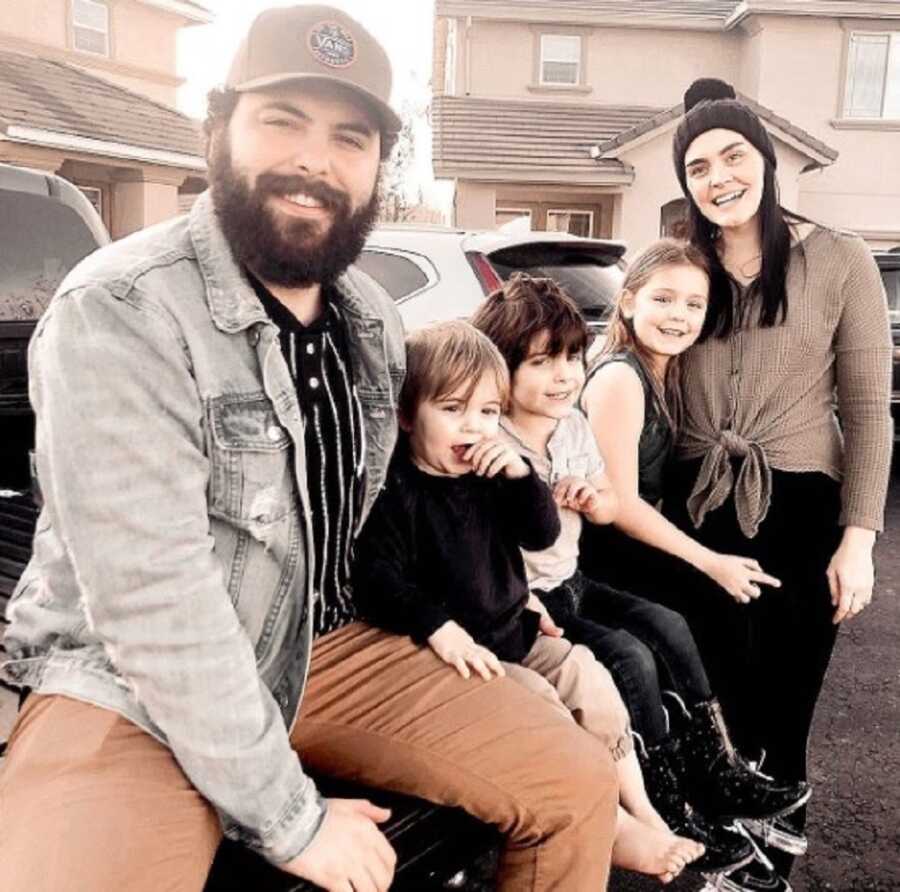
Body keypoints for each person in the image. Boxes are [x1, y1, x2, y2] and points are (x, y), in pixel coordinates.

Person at [0, 7, 622, 891]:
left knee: (575, 783)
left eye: (349, 136)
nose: (314, 160)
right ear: (218, 132)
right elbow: (153, 600)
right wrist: (293, 821)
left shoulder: (371, 321)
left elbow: (390, 515)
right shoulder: (122, 309)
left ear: (378, 167)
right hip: (128, 677)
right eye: (280, 121)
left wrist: (492, 611)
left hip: (325, 644)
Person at [596, 76, 891, 880]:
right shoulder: (687, 268)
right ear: (683, 182)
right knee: (714, 704)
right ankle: (722, 853)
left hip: (799, 506)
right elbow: (627, 359)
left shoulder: (839, 259)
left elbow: (868, 408)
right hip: (695, 510)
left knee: (786, 705)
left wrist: (858, 539)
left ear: (763, 159)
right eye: (698, 166)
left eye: (733, 155)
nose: (719, 176)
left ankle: (770, 868)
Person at [474, 272, 813, 891]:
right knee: (631, 657)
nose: (563, 377)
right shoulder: (494, 443)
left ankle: (715, 762)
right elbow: (487, 543)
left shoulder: (569, 426)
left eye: (572, 358)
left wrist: (589, 498)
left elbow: (604, 502)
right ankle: (664, 794)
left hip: (573, 577)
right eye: (542, 363)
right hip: (535, 598)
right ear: (501, 370)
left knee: (668, 624)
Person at [352, 320, 705, 885]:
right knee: (542, 700)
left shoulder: (492, 474)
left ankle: (641, 810)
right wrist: (439, 626)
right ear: (405, 414)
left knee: (593, 682)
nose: (475, 427)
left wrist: (520, 477)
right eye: (453, 409)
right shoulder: (398, 492)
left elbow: (540, 534)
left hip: (515, 633)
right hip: (462, 659)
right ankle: (610, 825)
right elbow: (380, 580)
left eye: (489, 412)